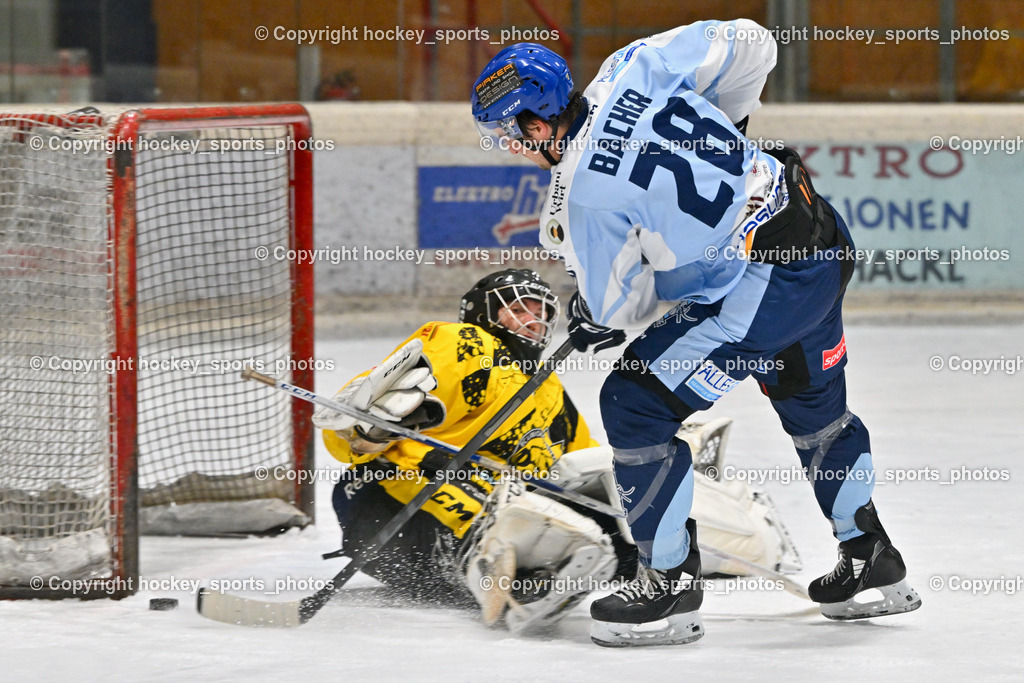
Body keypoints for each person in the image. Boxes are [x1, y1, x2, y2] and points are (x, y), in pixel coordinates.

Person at [471, 20, 921, 647]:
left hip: (762, 287)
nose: (512, 147)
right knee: (814, 405)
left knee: (633, 402)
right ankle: (871, 555)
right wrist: (729, 129)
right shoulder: (633, 65)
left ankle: (668, 589)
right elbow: (753, 42)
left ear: (538, 125)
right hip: (815, 231)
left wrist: (589, 315)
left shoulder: (584, 199)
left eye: (510, 134)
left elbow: (619, 306)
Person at [312, 268, 622, 633]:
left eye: (540, 311)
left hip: (428, 560)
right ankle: (505, 573)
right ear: (482, 311)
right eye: (519, 308)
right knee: (486, 493)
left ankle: (611, 563)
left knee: (611, 519)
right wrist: (364, 428)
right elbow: (364, 407)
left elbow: (581, 468)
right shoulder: (468, 345)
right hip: (386, 506)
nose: (533, 319)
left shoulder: (547, 387)